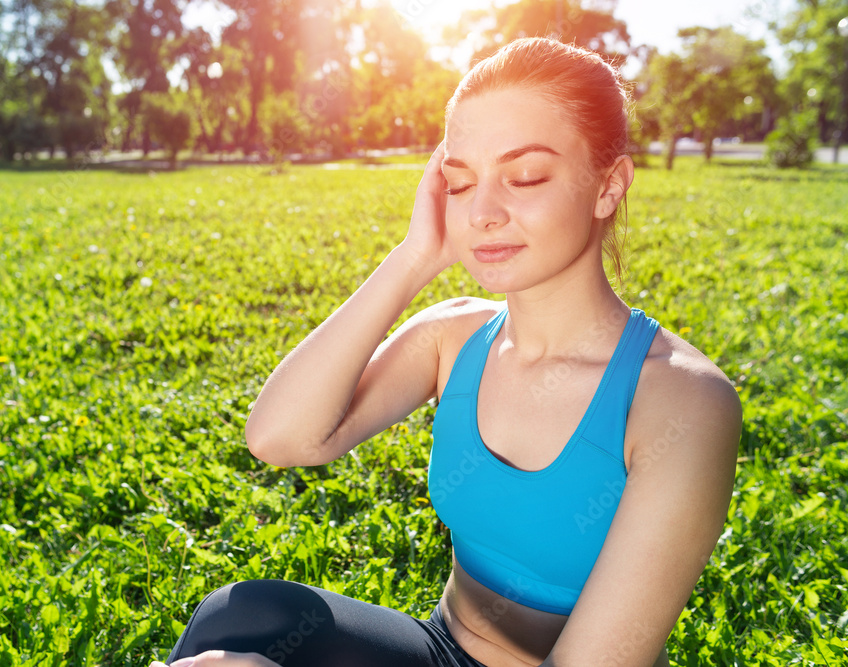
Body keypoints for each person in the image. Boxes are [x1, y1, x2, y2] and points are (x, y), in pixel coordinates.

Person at [152, 37, 742, 667]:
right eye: (459, 183)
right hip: (439, 649)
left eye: (524, 177)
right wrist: (413, 259)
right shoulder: (455, 337)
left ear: (608, 185)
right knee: (241, 622)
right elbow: (282, 439)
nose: (483, 212)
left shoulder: (682, 400)